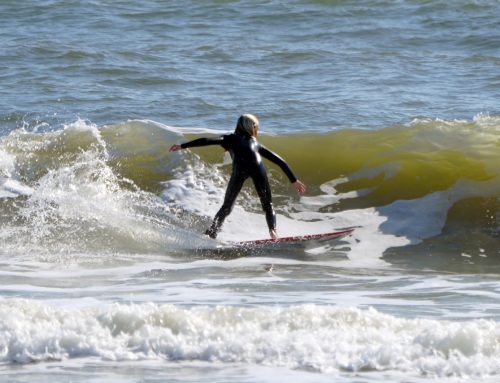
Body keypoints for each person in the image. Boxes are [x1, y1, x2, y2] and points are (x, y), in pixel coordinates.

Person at [169, 114, 306, 239]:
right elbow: (280, 161)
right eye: (256, 127)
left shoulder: (229, 139)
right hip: (257, 168)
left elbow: (206, 140)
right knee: (268, 204)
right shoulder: (256, 144)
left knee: (227, 206)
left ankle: (212, 233)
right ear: (252, 128)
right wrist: (294, 180)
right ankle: (273, 233)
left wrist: (183, 145)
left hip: (240, 170)